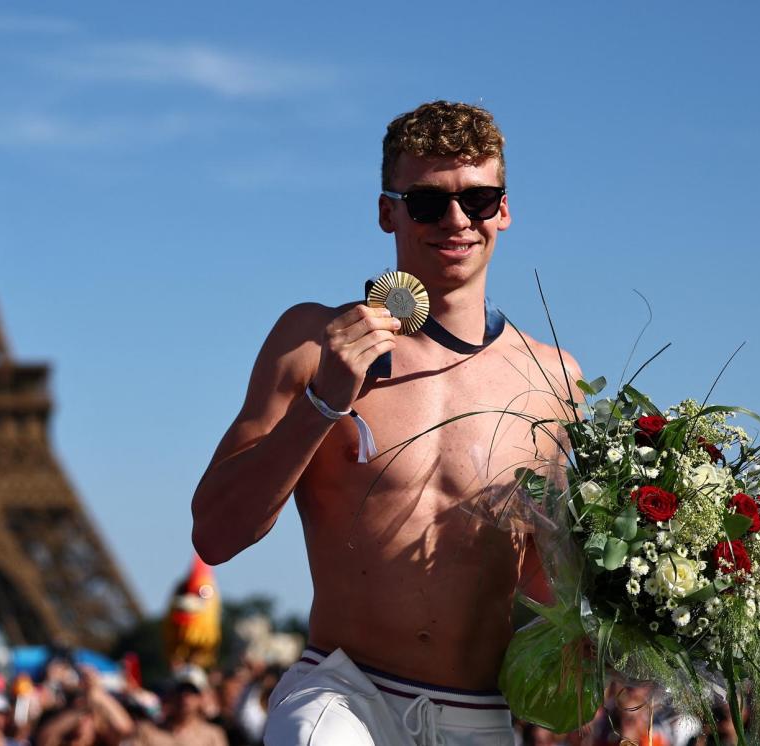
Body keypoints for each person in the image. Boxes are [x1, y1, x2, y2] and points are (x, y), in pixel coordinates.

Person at [192, 100, 579, 745]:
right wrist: (323, 402)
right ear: (386, 212)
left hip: (478, 713)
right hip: (343, 693)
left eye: (478, 200)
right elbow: (215, 534)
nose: (456, 220)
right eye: (428, 203)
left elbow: (545, 580)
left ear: (504, 210)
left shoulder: (554, 379)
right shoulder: (311, 339)